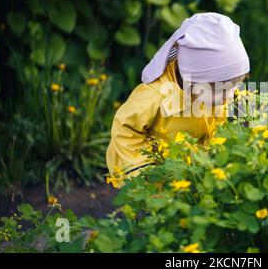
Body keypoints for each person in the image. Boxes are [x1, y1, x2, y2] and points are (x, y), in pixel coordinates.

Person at [106, 12, 250, 184]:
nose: (227, 96)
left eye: (234, 86)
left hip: (185, 171)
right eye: (219, 89)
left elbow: (216, 125)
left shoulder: (212, 93)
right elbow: (125, 128)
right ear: (192, 78)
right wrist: (142, 170)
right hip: (151, 174)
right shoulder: (156, 95)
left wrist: (214, 156)